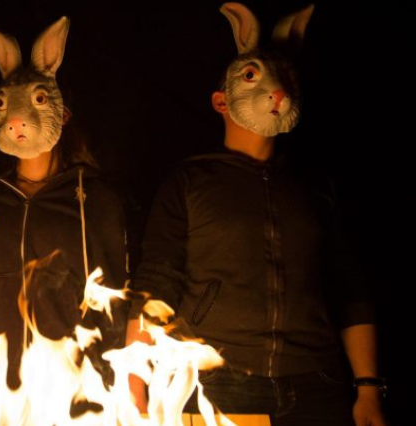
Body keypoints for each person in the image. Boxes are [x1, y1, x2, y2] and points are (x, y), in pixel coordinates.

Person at [126, 4, 386, 426]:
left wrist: (369, 388)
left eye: (287, 78)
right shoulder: (190, 181)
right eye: (252, 76)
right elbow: (157, 278)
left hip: (316, 382)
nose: (277, 90)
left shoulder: (313, 185)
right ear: (220, 101)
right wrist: (134, 374)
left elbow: (349, 286)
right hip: (218, 379)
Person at [0, 17, 128, 394]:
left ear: (61, 114)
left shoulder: (93, 196)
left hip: (72, 381)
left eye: (37, 101)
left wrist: (118, 373)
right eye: (6, 104)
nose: (18, 120)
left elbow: (116, 289)